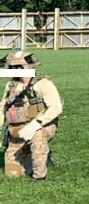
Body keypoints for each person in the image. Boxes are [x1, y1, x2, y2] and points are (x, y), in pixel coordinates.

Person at [2, 51, 62, 181]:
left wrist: (35, 125)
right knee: (13, 173)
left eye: (18, 67)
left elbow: (56, 108)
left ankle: (40, 175)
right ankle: (36, 155)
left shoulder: (43, 84)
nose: (15, 70)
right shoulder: (11, 86)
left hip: (42, 126)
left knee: (37, 136)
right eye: (12, 67)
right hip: (17, 129)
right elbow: (2, 109)